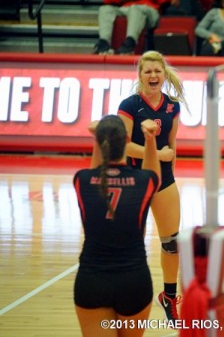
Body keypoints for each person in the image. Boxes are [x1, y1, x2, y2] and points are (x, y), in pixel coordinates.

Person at [73, 115, 161, 336]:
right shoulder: (144, 181)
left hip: (91, 280)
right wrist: (150, 139)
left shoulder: (81, 179)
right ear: (128, 140)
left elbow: (97, 175)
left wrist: (97, 138)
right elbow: (154, 176)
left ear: (99, 143)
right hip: (133, 280)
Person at [118, 50, 187, 322]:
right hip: (134, 179)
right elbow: (123, 145)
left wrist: (168, 167)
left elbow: (172, 144)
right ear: (140, 76)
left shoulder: (172, 106)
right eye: (147, 71)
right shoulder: (129, 104)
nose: (153, 75)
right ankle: (126, 295)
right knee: (131, 242)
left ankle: (169, 297)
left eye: (157, 70)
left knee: (172, 242)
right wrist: (156, 155)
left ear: (164, 73)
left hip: (164, 181)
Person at [93, 0, 168, 55]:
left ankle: (130, 43)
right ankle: (104, 43)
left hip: (149, 10)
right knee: (105, 9)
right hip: (126, 8)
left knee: (135, 9)